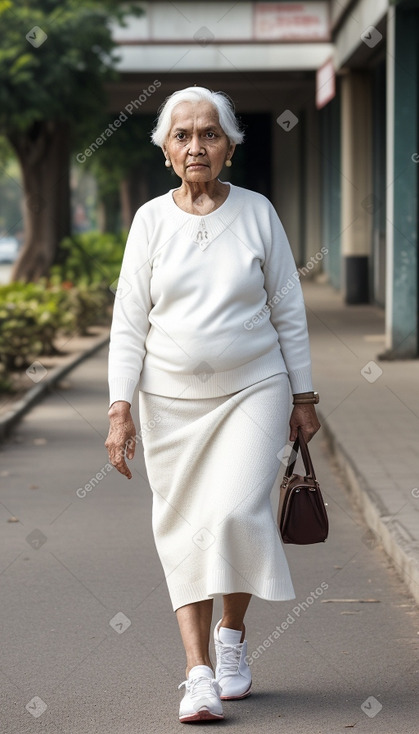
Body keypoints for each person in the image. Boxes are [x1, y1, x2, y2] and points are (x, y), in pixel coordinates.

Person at [105, 86, 321, 723]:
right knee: (183, 530)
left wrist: (303, 395)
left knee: (233, 515)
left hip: (254, 389)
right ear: (167, 151)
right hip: (170, 402)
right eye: (182, 136)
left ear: (229, 146)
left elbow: (288, 309)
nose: (196, 146)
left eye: (210, 135)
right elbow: (128, 324)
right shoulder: (149, 221)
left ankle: (232, 634)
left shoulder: (257, 213)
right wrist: (121, 410)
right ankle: (199, 673)